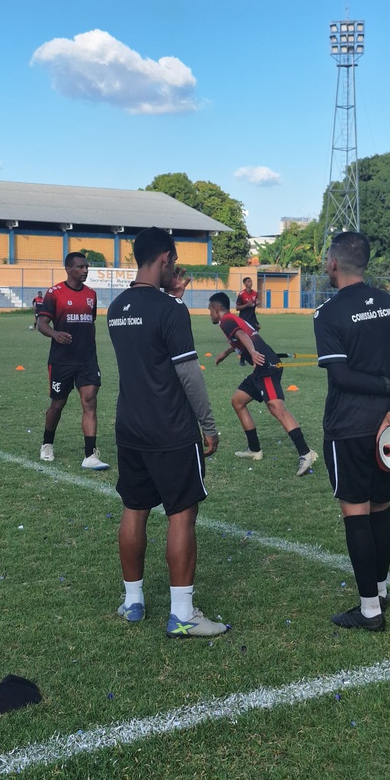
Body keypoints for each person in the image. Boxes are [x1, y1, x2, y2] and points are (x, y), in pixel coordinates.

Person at [107, 226, 226, 637]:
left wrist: (168, 297)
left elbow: (145, 352)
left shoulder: (116, 307)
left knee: (134, 508)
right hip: (171, 429)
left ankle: (133, 601)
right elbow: (188, 374)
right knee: (181, 514)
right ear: (166, 259)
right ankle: (182, 614)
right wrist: (208, 426)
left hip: (130, 426)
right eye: (172, 262)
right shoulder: (171, 310)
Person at [313, 231, 390, 631]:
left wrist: (387, 390)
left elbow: (341, 376)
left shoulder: (328, 313)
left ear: (333, 264)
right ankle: (378, 590)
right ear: (364, 264)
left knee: (357, 514)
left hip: (348, 429)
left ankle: (369, 611)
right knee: (380, 509)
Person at [208, 292, 317, 476]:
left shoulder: (226, 320)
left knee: (276, 407)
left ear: (216, 309)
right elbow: (239, 337)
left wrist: (252, 351)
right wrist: (225, 354)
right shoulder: (229, 320)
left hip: (266, 366)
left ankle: (306, 453)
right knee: (238, 401)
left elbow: (242, 334)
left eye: (210, 309)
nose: (209, 313)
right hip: (261, 369)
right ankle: (254, 449)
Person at [36, 252, 108, 469]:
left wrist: (90, 348)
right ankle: (47, 443)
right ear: (68, 269)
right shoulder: (54, 293)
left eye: (86, 266)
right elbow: (42, 323)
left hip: (87, 360)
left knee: (89, 402)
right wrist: (55, 334)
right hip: (61, 360)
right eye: (80, 267)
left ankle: (90, 455)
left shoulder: (91, 294)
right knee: (58, 404)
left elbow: (91, 323)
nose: (85, 270)